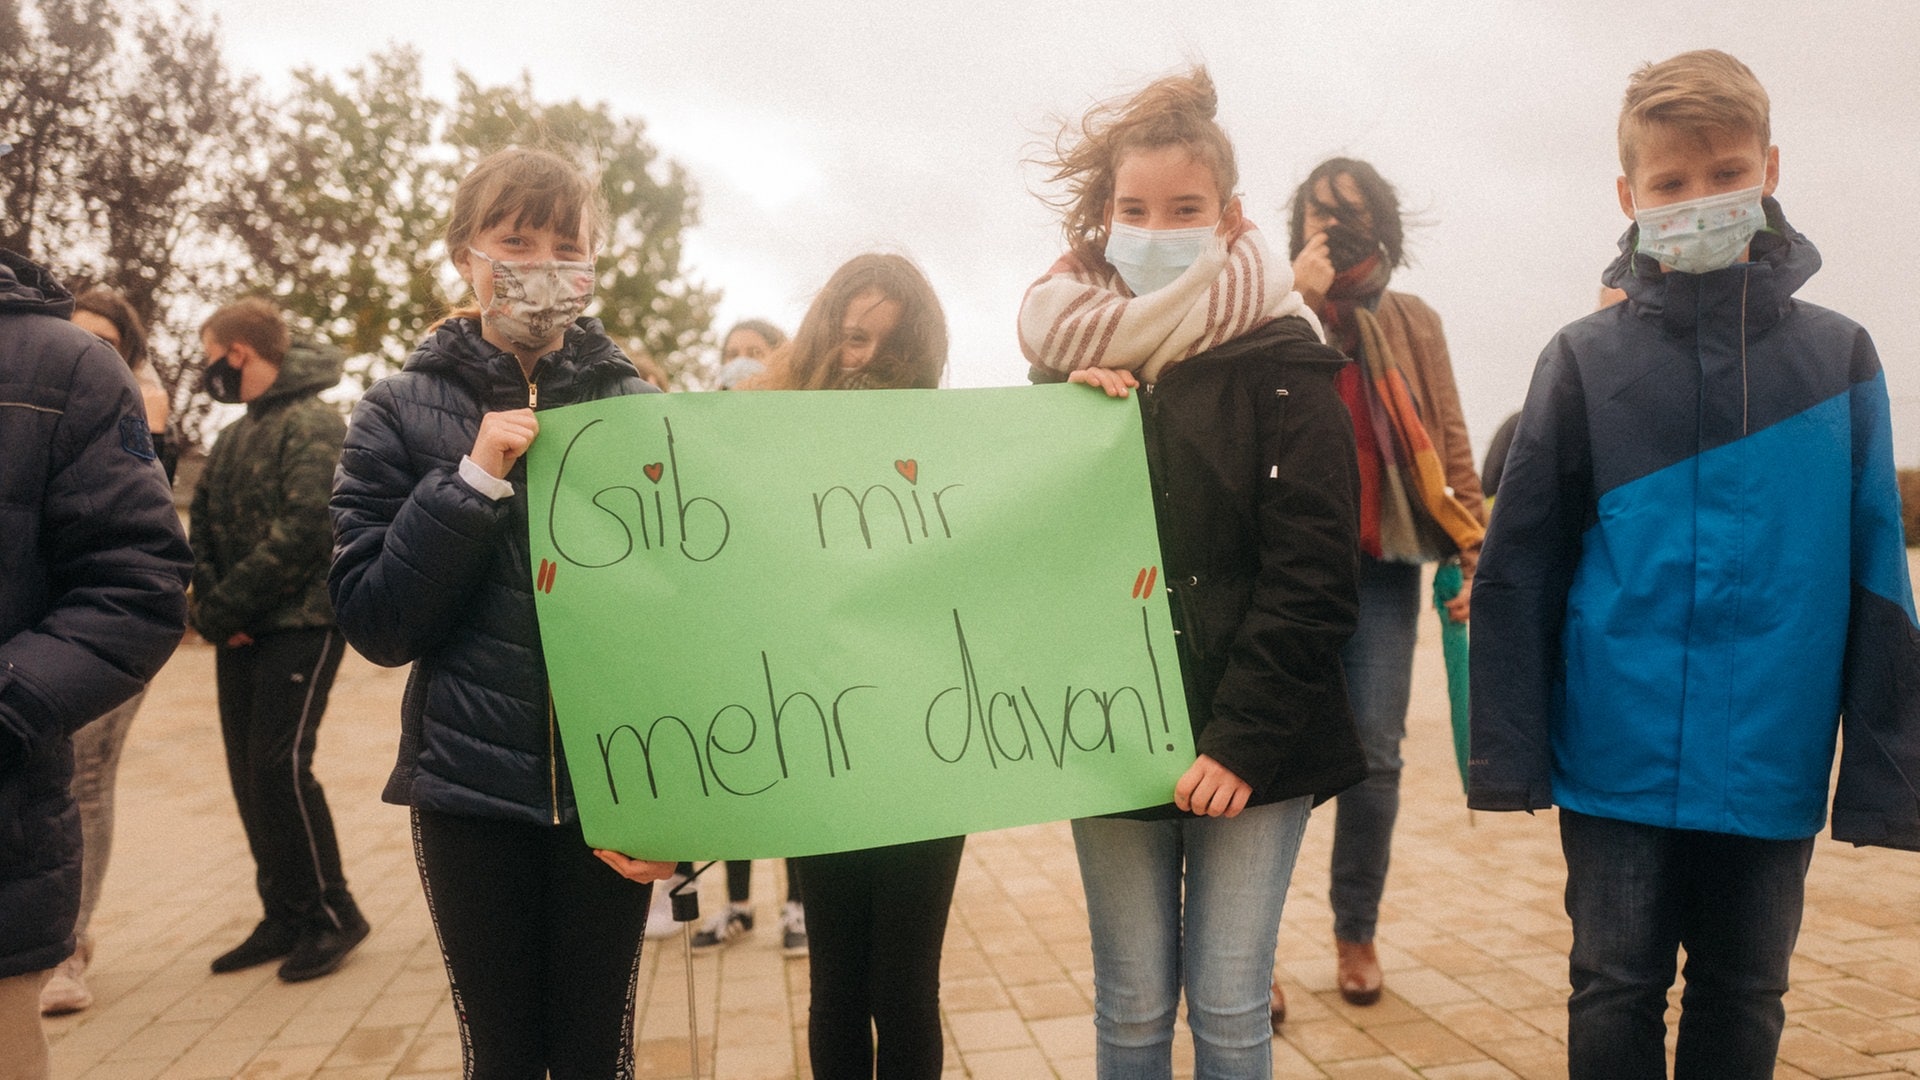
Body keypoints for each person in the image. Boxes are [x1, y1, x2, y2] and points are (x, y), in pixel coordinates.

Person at [1468, 50, 1920, 1079]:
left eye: (1724, 174)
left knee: (1746, 991)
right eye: (1671, 184)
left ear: (1769, 169)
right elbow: (1521, 563)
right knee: (1614, 984)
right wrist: (1508, 749)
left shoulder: (1839, 359)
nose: (1700, 199)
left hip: (1775, 747)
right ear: (1629, 197)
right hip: (1614, 753)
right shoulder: (1583, 360)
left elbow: (1875, 573)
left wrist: (1890, 774)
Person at [1018, 68, 1366, 1078]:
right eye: (1134, 210)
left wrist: (1242, 743)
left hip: (1254, 751)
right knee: (1128, 1008)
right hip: (1112, 734)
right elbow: (1036, 553)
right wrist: (1070, 421)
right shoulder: (1064, 363)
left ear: (1231, 216)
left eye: (1184, 209)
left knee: (1228, 1005)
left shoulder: (1287, 361)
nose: (1156, 227)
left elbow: (1312, 577)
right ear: (1103, 216)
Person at [329, 146, 675, 1078]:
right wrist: (472, 481)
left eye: (569, 244)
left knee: (598, 1048)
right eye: (516, 241)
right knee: (506, 1056)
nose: (543, 265)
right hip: (468, 797)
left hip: (613, 792)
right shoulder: (396, 414)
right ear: (464, 257)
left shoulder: (639, 410)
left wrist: (683, 806)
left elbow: (689, 620)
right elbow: (376, 623)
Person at [1277, 158, 1486, 1017]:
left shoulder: (1413, 321)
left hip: (1385, 564)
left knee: (1377, 759)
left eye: (1356, 216)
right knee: (1272, 755)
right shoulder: (1270, 308)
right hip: (1287, 561)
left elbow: (1448, 435)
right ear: (1298, 230)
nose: (1340, 230)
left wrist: (1477, 548)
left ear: (1385, 227)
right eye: (1323, 217)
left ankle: (1354, 932)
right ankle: (1245, 954)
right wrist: (1295, 298)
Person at [0, 249, 192, 1080]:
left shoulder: (65, 368)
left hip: (18, 759)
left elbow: (139, 578)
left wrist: (11, 701)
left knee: (92, 780)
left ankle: (75, 942)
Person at [770, 253, 958, 1079]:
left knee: (907, 986)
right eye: (853, 337)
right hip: (824, 748)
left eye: (894, 347)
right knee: (837, 982)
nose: (870, 361)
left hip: (929, 752)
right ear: (823, 338)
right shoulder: (763, 452)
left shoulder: (959, 458)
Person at [191, 297, 368, 983]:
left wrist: (228, 605)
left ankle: (334, 913)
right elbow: (201, 522)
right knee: (247, 774)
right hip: (241, 631)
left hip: (302, 623)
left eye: (211, 356)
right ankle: (285, 912)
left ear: (238, 352)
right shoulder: (236, 432)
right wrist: (214, 606)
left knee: (280, 767)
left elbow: (306, 527)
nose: (208, 371)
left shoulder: (316, 421)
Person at [37, 287, 174, 1016]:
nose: (86, 353)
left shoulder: (139, 402)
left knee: (86, 778)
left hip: (105, 619)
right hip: (41, 616)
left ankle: (71, 945)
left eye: (105, 343)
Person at [714, 316, 787, 390]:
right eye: (733, 355)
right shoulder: (711, 401)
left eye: (755, 353)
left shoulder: (794, 400)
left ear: (779, 359)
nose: (741, 362)